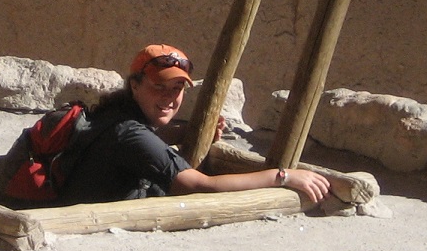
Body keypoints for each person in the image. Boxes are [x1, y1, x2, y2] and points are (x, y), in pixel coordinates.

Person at [56, 44, 331, 206]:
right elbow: (201, 186)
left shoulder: (112, 114)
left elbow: (148, 139)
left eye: (177, 88)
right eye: (159, 86)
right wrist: (282, 177)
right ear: (135, 85)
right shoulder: (130, 134)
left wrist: (185, 132)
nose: (169, 97)